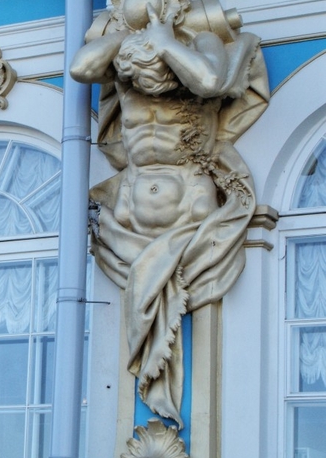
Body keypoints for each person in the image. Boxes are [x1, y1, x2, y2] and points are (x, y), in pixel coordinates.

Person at [70, 0, 269, 426]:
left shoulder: (203, 46)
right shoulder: (124, 65)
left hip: (191, 209)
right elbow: (81, 68)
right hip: (131, 216)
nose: (151, 81)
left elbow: (210, 81)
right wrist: (128, 36)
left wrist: (164, 42)